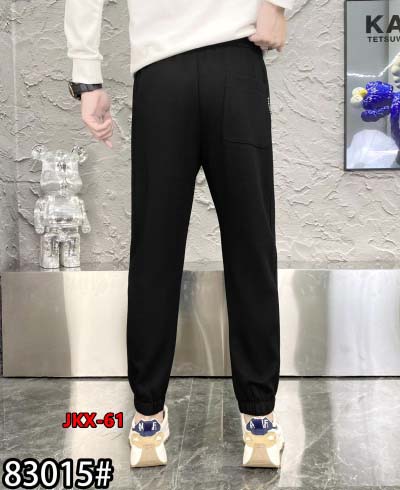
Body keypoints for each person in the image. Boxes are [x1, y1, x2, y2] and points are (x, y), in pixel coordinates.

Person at [65, 0, 293, 469]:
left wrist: (87, 77)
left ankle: (148, 418)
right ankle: (260, 419)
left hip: (162, 72)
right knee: (250, 244)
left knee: (156, 248)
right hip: (234, 66)